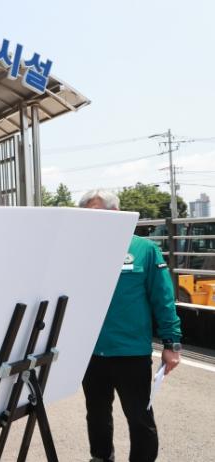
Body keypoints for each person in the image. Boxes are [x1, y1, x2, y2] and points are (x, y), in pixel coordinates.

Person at [79, 189, 182, 462]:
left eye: (97, 214)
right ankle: (101, 457)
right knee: (97, 415)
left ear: (117, 213)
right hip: (92, 353)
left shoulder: (144, 250)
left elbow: (163, 299)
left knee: (139, 419)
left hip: (131, 352)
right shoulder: (80, 251)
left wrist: (172, 344)